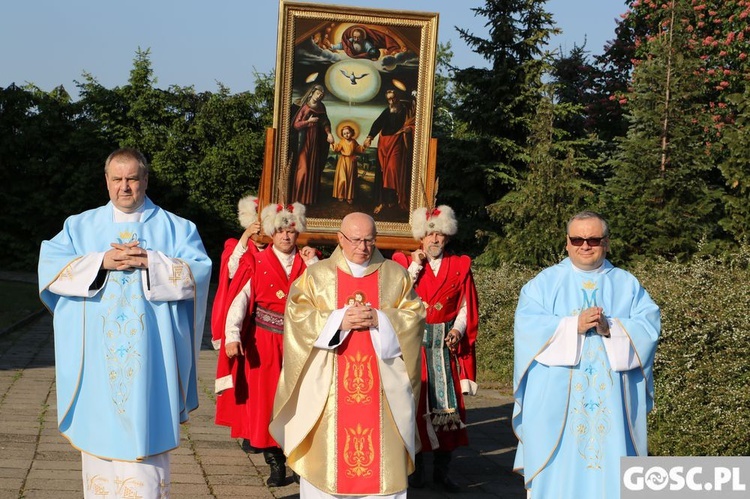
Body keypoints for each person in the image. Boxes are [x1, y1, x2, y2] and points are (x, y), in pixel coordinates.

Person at [38, 147, 212, 498]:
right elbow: (50, 270)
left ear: (145, 180)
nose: (125, 187)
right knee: (100, 459)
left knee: (144, 458)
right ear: (106, 181)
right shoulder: (79, 226)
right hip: (98, 368)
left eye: (132, 178)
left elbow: (199, 271)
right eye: (116, 179)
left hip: (151, 365)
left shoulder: (177, 227)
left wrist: (153, 261)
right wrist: (100, 261)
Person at [270, 212, 426, 498]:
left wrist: (381, 319)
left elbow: (414, 316)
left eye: (369, 240)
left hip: (383, 392)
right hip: (328, 392)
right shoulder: (317, 276)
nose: (363, 247)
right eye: (355, 240)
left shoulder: (395, 274)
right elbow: (297, 315)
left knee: (383, 467)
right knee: (325, 463)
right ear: (340, 239)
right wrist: (338, 321)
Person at [512, 211, 661, 499]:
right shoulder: (543, 284)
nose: (585, 245)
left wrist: (612, 328)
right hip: (556, 408)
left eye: (593, 239)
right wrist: (572, 326)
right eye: (577, 239)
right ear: (567, 243)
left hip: (613, 407)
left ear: (606, 242)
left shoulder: (627, 284)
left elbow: (649, 327)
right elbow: (527, 327)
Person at [214, 202, 318, 487]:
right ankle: (275, 463)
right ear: (272, 232)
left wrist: (314, 264)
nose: (286, 236)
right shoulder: (257, 262)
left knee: (300, 401)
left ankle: (299, 459)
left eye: (291, 231)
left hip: (299, 343)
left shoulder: (309, 264)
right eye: (280, 230)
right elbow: (241, 300)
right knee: (267, 403)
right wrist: (232, 335)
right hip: (264, 342)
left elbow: (326, 294)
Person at [392, 205, 479, 492]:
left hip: (444, 346)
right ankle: (415, 469)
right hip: (414, 345)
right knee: (413, 406)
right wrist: (415, 265)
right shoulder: (404, 262)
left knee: (448, 409)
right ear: (420, 237)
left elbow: (466, 305)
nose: (434, 240)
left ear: (448, 237)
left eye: (439, 234)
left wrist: (457, 329)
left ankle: (442, 470)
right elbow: (396, 294)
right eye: (429, 234)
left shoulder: (461, 265)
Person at [210, 194, 265, 351]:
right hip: (238, 306)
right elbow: (231, 271)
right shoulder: (235, 246)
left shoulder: (273, 251)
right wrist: (246, 235)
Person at [364, 89, 415, 214]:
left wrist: (409, 129)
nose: (391, 101)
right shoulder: (387, 111)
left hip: (397, 141)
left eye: (393, 98)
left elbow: (414, 124)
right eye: (389, 99)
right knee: (383, 171)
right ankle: (384, 201)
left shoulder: (406, 110)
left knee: (392, 170)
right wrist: (370, 137)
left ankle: (393, 198)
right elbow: (378, 123)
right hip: (384, 143)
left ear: (398, 97)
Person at [290, 84, 334, 205]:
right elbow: (296, 125)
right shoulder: (304, 106)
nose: (319, 96)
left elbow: (325, 122)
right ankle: (297, 197)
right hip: (303, 141)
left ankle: (307, 199)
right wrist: (308, 121)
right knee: (303, 169)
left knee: (312, 169)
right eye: (318, 93)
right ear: (312, 93)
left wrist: (329, 133)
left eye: (321, 95)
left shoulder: (321, 107)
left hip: (316, 141)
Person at [331, 125, 366, 204]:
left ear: (352, 133)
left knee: (350, 179)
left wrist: (364, 146)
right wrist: (332, 143)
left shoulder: (354, 141)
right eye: (344, 134)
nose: (346, 135)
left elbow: (359, 149)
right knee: (342, 178)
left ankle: (349, 197)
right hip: (343, 161)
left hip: (351, 162)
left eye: (348, 133)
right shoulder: (342, 141)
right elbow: (337, 148)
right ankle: (341, 194)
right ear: (342, 135)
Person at [329, 25, 405, 60]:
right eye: (354, 37)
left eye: (358, 38)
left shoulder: (365, 43)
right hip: (353, 54)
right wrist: (333, 47)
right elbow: (342, 45)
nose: (356, 39)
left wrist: (373, 55)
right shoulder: (351, 41)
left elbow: (371, 49)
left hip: (364, 55)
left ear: (363, 37)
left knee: (373, 51)